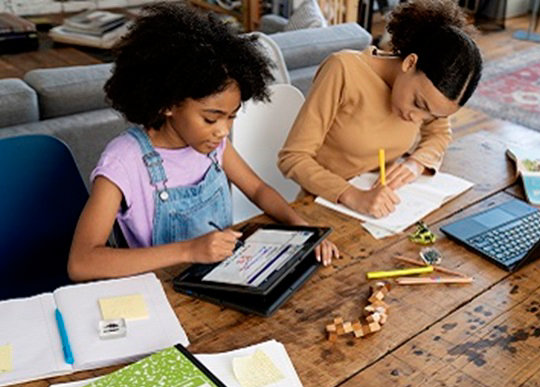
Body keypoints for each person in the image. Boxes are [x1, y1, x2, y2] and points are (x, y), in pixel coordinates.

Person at [68, 4, 339, 281]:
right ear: (169, 104)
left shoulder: (211, 146)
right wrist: (190, 250)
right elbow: (82, 262)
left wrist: (305, 230)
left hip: (220, 279)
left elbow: (257, 189)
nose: (223, 131)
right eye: (212, 119)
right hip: (162, 295)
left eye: (231, 117)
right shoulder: (124, 161)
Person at [278, 0, 482, 219]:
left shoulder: (430, 99)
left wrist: (415, 164)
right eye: (418, 104)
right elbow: (293, 157)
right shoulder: (343, 70)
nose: (416, 118)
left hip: (382, 212)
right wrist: (352, 195)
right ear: (410, 63)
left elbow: (439, 133)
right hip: (324, 208)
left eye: (432, 115)